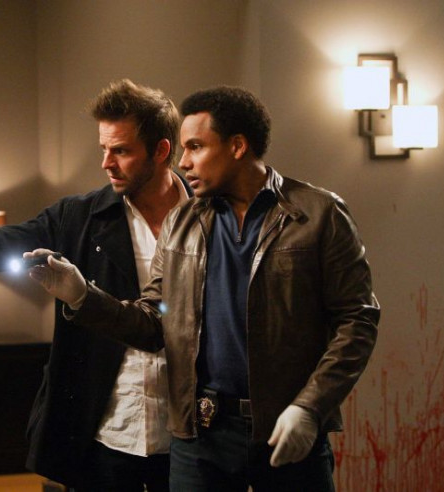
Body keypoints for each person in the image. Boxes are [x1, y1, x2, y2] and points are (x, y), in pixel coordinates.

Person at [27, 85, 380, 491]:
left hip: (288, 427)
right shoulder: (182, 223)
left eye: (195, 147)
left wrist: (310, 408)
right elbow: (153, 323)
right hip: (201, 437)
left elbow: (358, 321)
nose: (183, 162)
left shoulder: (318, 214)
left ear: (237, 146)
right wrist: (82, 297)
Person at [0, 79, 191, 491]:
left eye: (120, 151)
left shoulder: (209, 217)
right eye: (103, 149)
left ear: (161, 151)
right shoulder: (79, 217)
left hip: (191, 436)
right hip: (108, 433)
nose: (106, 163)